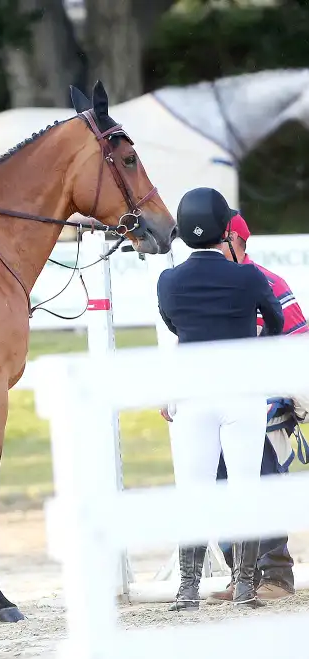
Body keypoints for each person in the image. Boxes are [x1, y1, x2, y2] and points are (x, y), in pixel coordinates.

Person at [156, 187, 284, 611]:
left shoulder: (169, 281)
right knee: (245, 486)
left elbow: (174, 325)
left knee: (193, 490)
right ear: (224, 231)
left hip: (194, 394)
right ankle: (245, 587)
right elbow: (276, 321)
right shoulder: (248, 276)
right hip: (241, 393)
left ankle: (187, 590)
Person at [207, 212, 308, 603]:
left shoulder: (269, 282)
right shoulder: (210, 282)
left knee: (261, 482)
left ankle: (276, 575)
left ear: (234, 240)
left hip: (264, 405)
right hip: (219, 405)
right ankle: (242, 576)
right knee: (219, 485)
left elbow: (298, 342)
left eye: (215, 239)